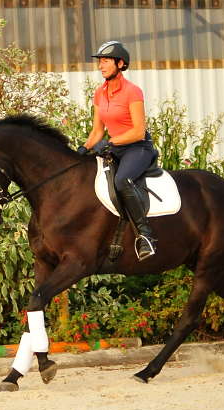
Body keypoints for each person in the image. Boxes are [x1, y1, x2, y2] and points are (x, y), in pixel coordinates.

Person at [77, 41, 157, 261]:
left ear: (120, 64)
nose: (101, 65)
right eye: (100, 61)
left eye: (106, 61)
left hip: (137, 148)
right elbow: (97, 131)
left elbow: (139, 131)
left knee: (122, 181)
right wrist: (84, 148)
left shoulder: (133, 91)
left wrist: (111, 143)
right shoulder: (99, 93)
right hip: (114, 147)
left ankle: (145, 236)